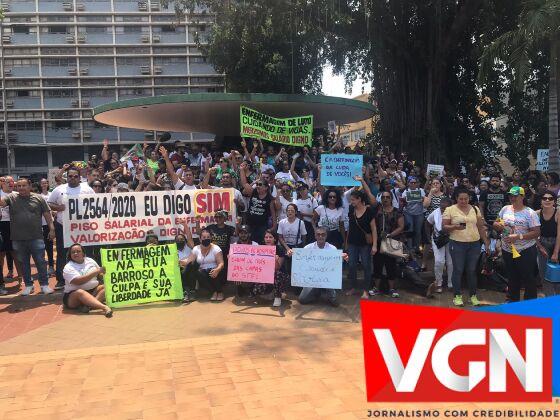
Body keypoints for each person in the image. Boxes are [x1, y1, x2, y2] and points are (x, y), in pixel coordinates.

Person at [0, 178, 55, 296]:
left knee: (40, 262)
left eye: (24, 185)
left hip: (36, 236)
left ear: (29, 186)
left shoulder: (39, 198)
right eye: (18, 186)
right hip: (18, 238)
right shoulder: (11, 197)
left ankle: (44, 285)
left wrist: (52, 228)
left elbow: (47, 214)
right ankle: (29, 285)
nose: (21, 188)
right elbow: (1, 203)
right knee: (23, 263)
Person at [48, 167, 94, 290]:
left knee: (84, 252)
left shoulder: (87, 189)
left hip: (83, 227)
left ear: (79, 178)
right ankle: (61, 280)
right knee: (63, 253)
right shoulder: (59, 189)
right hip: (63, 226)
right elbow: (50, 203)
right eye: (70, 176)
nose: (72, 178)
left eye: (75, 176)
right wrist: (58, 208)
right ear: (66, 177)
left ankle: (87, 277)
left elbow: (95, 205)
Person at [443, 187, 490, 307]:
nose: (463, 201)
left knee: (472, 270)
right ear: (456, 199)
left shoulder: (475, 209)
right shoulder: (450, 209)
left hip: (474, 244)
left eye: (466, 199)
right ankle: (457, 296)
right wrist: (454, 227)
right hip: (457, 243)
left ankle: (473, 295)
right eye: (461, 199)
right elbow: (444, 227)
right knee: (458, 270)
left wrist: (486, 241)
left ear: (469, 198)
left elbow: (480, 226)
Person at [494, 186, 540, 302]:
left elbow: (536, 232)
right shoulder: (505, 209)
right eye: (510, 195)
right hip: (507, 249)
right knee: (512, 277)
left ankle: (529, 304)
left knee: (528, 278)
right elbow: (496, 221)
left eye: (515, 195)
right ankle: (512, 301)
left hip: (525, 250)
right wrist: (497, 225)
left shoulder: (530, 213)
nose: (512, 198)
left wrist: (519, 236)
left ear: (522, 196)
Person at [298, 227, 349, 307]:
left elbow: (336, 265)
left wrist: (342, 258)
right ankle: (317, 291)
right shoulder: (308, 248)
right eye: (318, 235)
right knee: (302, 299)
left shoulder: (332, 248)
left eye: (323, 235)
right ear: (315, 236)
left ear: (326, 236)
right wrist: (292, 254)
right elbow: (300, 258)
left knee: (335, 303)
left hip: (327, 278)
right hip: (312, 279)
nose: (320, 237)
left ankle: (330, 293)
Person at [369, 191, 405, 298]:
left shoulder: (397, 211)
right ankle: (376, 288)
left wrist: (390, 235)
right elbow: (370, 196)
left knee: (391, 266)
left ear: (391, 198)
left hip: (391, 242)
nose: (385, 199)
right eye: (383, 197)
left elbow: (401, 226)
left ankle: (392, 289)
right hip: (379, 242)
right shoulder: (377, 210)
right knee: (377, 265)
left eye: (387, 197)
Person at [62, 244, 112, 317]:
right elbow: (78, 281)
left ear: (83, 253)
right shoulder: (68, 267)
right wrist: (95, 272)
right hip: (74, 296)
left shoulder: (90, 260)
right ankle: (104, 307)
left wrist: (105, 275)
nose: (76, 253)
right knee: (80, 292)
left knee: (107, 287)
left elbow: (100, 273)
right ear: (70, 255)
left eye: (78, 251)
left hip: (93, 290)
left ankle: (89, 306)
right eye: (73, 252)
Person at [345, 189, 377, 299]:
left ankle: (366, 290)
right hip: (352, 242)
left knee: (366, 266)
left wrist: (374, 245)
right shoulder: (351, 210)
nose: (351, 202)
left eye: (353, 200)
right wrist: (346, 241)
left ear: (359, 199)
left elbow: (374, 229)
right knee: (352, 265)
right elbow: (350, 227)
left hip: (365, 244)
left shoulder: (369, 211)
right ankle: (353, 287)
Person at [180, 229, 225, 302]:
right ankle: (213, 292)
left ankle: (220, 292)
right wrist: (180, 261)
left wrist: (217, 269)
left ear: (211, 238)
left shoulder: (216, 248)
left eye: (208, 237)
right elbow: (189, 261)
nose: (206, 239)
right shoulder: (196, 249)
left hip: (215, 270)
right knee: (197, 272)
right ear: (200, 239)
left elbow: (221, 263)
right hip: (202, 271)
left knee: (213, 272)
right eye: (204, 237)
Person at [427, 197, 453, 293]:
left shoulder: (455, 212)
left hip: (451, 239)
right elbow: (427, 223)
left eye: (446, 208)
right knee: (439, 261)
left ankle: (450, 283)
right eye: (442, 208)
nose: (443, 210)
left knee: (450, 262)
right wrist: (428, 239)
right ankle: (438, 283)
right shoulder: (435, 212)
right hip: (438, 239)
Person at [536, 191, 560, 294]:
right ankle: (549, 300)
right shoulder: (536, 213)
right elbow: (533, 232)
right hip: (542, 243)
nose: (547, 200)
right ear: (541, 201)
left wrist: (555, 253)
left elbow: (559, 234)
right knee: (544, 274)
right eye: (544, 198)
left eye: (550, 198)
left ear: (554, 201)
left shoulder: (558, 213)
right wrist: (540, 246)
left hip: (557, 243)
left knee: (557, 274)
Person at [263, 229, 289, 307]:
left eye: (270, 237)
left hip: (280, 276)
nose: (268, 239)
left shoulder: (280, 249)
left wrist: (275, 260)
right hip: (266, 275)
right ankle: (274, 293)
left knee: (277, 274)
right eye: (266, 237)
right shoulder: (261, 249)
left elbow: (277, 268)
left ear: (274, 239)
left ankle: (277, 296)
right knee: (257, 291)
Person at [401, 176, 425, 253]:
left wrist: (423, 199)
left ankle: (417, 247)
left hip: (419, 213)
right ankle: (410, 248)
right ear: (408, 184)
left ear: (417, 184)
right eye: (412, 182)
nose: (413, 184)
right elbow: (402, 204)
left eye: (415, 182)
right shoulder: (405, 192)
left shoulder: (421, 190)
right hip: (408, 213)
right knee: (410, 230)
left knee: (418, 231)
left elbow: (425, 201)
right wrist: (404, 201)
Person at [39, 178, 55, 276]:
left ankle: (51, 266)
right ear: (40, 185)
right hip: (41, 224)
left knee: (49, 245)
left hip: (51, 223)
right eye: (42, 183)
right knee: (42, 246)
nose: (44, 184)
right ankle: (43, 267)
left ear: (48, 184)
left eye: (45, 183)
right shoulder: (38, 196)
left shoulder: (51, 194)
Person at [177, 221, 195, 303]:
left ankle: (190, 292)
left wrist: (185, 225)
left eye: (181, 239)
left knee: (188, 269)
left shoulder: (189, 246)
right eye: (177, 240)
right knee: (181, 272)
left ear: (185, 240)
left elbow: (189, 237)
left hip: (190, 265)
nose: (180, 241)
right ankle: (186, 292)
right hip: (180, 267)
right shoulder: (174, 250)